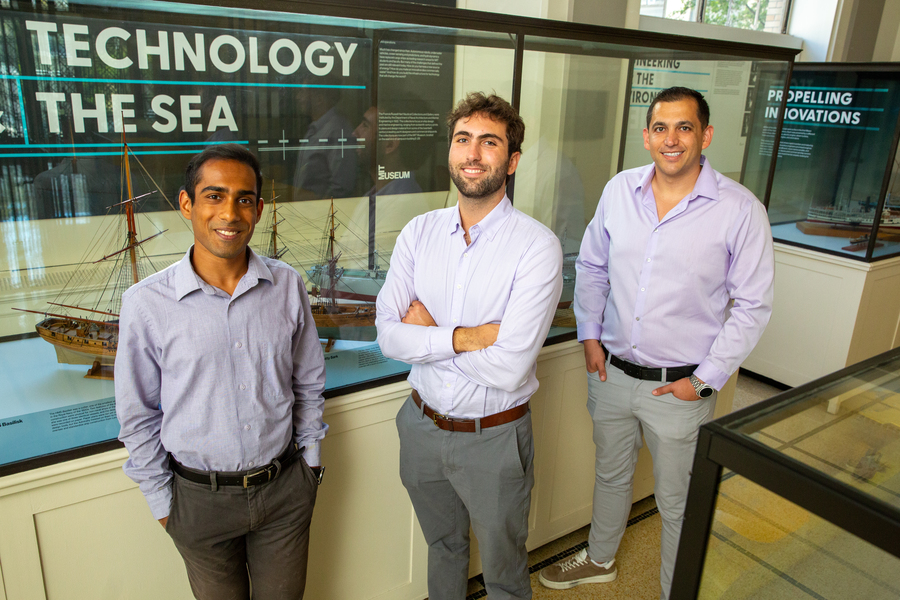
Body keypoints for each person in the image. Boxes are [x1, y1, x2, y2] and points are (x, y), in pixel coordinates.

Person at [538, 87, 774, 599]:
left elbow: (753, 306)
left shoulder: (739, 210)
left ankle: (676, 591)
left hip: (680, 389)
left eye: (684, 128)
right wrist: (590, 336)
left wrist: (703, 381)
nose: (672, 140)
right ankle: (600, 559)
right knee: (611, 475)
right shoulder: (619, 190)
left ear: (705, 135)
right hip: (612, 375)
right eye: (661, 128)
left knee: (678, 501)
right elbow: (594, 266)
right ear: (646, 137)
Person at [115, 144, 327, 600]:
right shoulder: (146, 303)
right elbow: (136, 416)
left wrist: (310, 467)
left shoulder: (286, 284)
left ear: (259, 209)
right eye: (214, 196)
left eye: (244, 198)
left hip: (284, 492)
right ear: (187, 204)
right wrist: (164, 506)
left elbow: (308, 382)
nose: (230, 213)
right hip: (197, 502)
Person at [376, 92, 563, 600]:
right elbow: (389, 335)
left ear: (512, 160)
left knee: (503, 568)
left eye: (489, 142)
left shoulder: (536, 247)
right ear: (450, 152)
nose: (473, 153)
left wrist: (429, 333)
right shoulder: (418, 233)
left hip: (494, 440)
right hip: (421, 426)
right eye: (463, 140)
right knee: (443, 547)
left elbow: (508, 369)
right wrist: (466, 337)